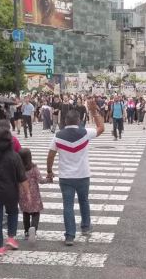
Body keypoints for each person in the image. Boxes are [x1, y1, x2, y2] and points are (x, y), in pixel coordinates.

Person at [46, 100, 104, 246]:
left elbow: (51, 155)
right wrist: (93, 112)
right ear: (78, 120)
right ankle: (85, 228)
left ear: (65, 121)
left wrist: (49, 171)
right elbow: (101, 128)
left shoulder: (58, 136)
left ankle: (70, 236)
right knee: (84, 201)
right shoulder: (85, 133)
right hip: (83, 175)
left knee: (68, 205)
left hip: (65, 176)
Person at [0, 127, 30, 256]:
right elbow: (22, 177)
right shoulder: (14, 156)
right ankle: (10, 238)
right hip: (10, 191)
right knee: (13, 213)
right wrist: (28, 193)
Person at [19, 148, 44, 241]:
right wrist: (48, 179)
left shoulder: (18, 169)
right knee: (35, 212)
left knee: (25, 213)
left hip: (22, 194)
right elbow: (40, 180)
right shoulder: (33, 168)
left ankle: (26, 232)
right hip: (34, 195)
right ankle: (33, 228)